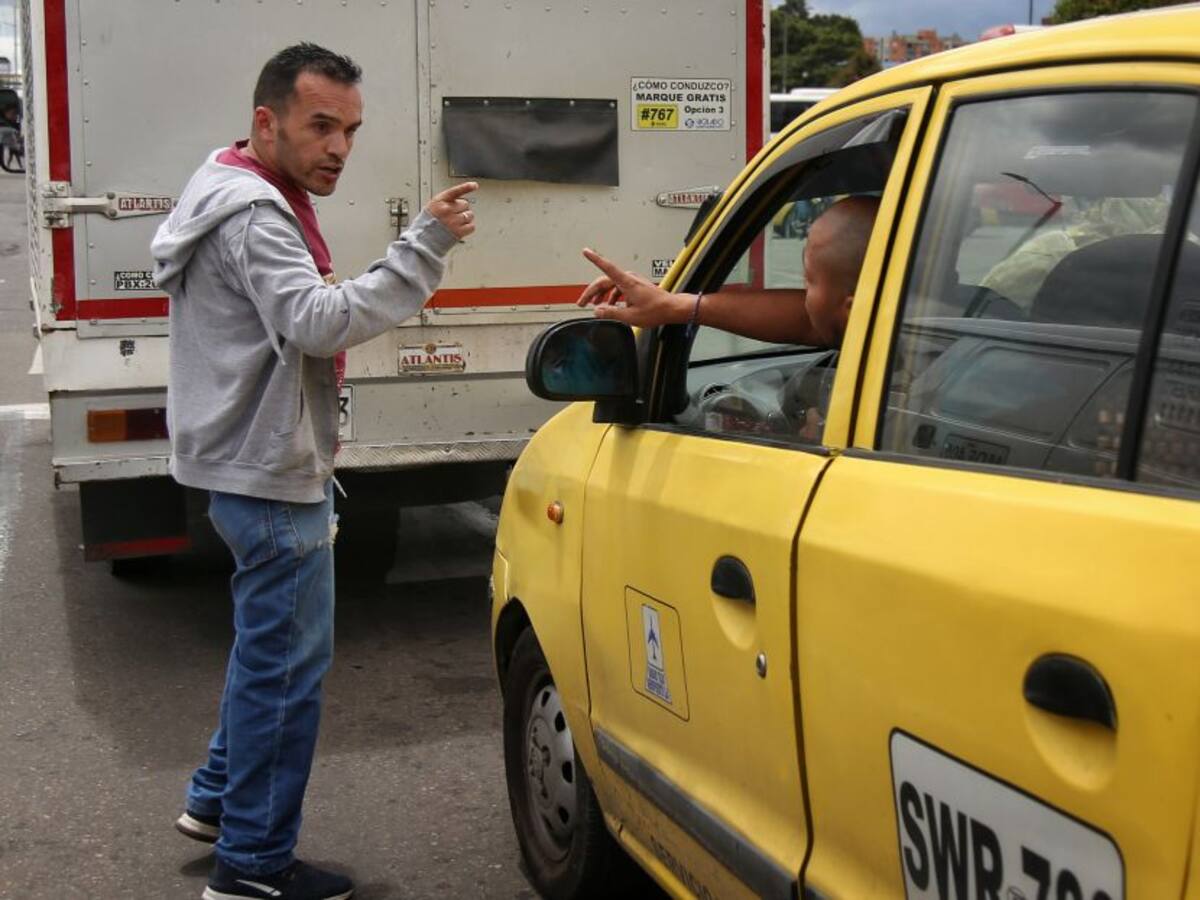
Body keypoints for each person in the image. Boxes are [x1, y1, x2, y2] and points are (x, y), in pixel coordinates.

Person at [151, 43, 477, 900]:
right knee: (286, 674)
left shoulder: (225, 178)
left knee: (267, 655)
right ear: (268, 122)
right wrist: (424, 245)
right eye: (319, 125)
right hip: (266, 471)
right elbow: (317, 323)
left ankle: (217, 802)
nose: (338, 147)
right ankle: (252, 866)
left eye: (350, 130)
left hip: (244, 461)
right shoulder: (258, 214)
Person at [577, 195, 880, 350]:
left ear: (853, 309)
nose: (803, 295)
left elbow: (809, 322)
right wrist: (672, 303)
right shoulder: (895, 333)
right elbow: (807, 320)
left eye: (809, 281)